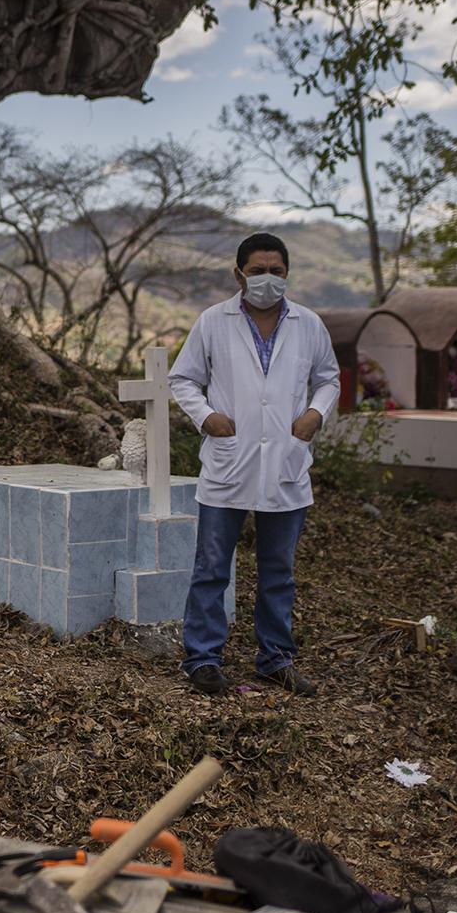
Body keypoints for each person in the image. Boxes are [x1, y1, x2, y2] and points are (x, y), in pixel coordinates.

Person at [168, 232, 341, 697]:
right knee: (211, 567)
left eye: (277, 271)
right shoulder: (213, 322)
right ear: (239, 273)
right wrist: (207, 417)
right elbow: (183, 379)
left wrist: (314, 415)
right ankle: (202, 658)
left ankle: (274, 658)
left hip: (285, 463)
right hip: (230, 460)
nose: (268, 279)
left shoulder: (309, 324)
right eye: (259, 270)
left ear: (288, 274)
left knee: (278, 571)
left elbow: (329, 379)